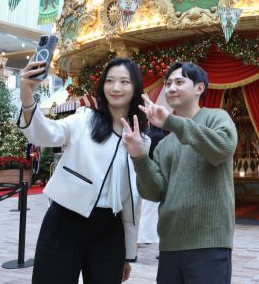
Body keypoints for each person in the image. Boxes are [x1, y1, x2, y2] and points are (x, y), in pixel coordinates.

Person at [17, 57, 144, 284]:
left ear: (135, 88)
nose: (116, 87)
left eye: (124, 81)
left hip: (110, 230)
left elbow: (133, 201)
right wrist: (27, 98)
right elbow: (45, 133)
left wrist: (127, 254)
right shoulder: (84, 120)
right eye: (110, 81)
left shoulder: (140, 139)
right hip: (65, 220)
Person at [121, 62, 238, 284]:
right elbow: (154, 192)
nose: (171, 88)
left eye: (179, 82)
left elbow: (222, 148)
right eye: (168, 84)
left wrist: (171, 122)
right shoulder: (165, 144)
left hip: (209, 242)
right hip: (170, 245)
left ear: (199, 88)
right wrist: (140, 157)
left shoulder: (216, 118)